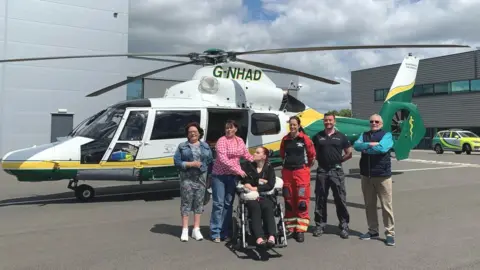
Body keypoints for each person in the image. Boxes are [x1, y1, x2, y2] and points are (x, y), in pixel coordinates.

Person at [353, 114, 395, 246]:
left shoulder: (386, 135)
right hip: (366, 176)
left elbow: (383, 148)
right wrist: (371, 144)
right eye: (371, 121)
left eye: (377, 121)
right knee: (369, 205)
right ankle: (373, 230)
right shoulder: (364, 134)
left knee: (386, 206)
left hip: (382, 176)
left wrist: (367, 148)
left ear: (381, 123)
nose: (374, 123)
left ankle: (390, 233)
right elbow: (357, 146)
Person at [210, 120, 254, 243]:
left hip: (233, 176)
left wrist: (257, 161)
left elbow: (246, 155)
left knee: (228, 204)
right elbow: (223, 159)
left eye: (230, 128)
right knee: (218, 204)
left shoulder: (240, 140)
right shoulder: (221, 141)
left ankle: (225, 231)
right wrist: (238, 170)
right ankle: (215, 232)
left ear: (235, 129)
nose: (228, 130)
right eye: (226, 128)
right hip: (220, 175)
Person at [312, 112, 352, 239]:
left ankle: (344, 225)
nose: (328, 122)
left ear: (334, 122)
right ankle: (320, 224)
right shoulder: (318, 136)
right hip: (322, 171)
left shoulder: (341, 136)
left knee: (340, 198)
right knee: (320, 198)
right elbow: (312, 152)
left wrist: (339, 161)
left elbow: (349, 152)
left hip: (336, 171)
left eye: (330, 120)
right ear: (323, 122)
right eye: (326, 120)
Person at [173, 122, 213, 242]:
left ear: (199, 133)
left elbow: (210, 161)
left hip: (201, 179)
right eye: (190, 132)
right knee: (186, 203)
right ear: (187, 134)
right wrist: (190, 164)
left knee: (199, 203)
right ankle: (185, 230)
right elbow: (177, 162)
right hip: (187, 179)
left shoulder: (205, 146)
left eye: (195, 131)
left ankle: (196, 229)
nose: (193, 133)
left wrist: (209, 178)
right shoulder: (182, 146)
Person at [279, 116, 316, 243]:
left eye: (295, 124)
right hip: (288, 172)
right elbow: (282, 154)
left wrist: (306, 167)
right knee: (288, 199)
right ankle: (290, 227)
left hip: (301, 173)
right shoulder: (285, 139)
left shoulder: (305, 139)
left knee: (302, 202)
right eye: (291, 125)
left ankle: (300, 230)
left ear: (299, 125)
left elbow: (312, 155)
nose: (292, 127)